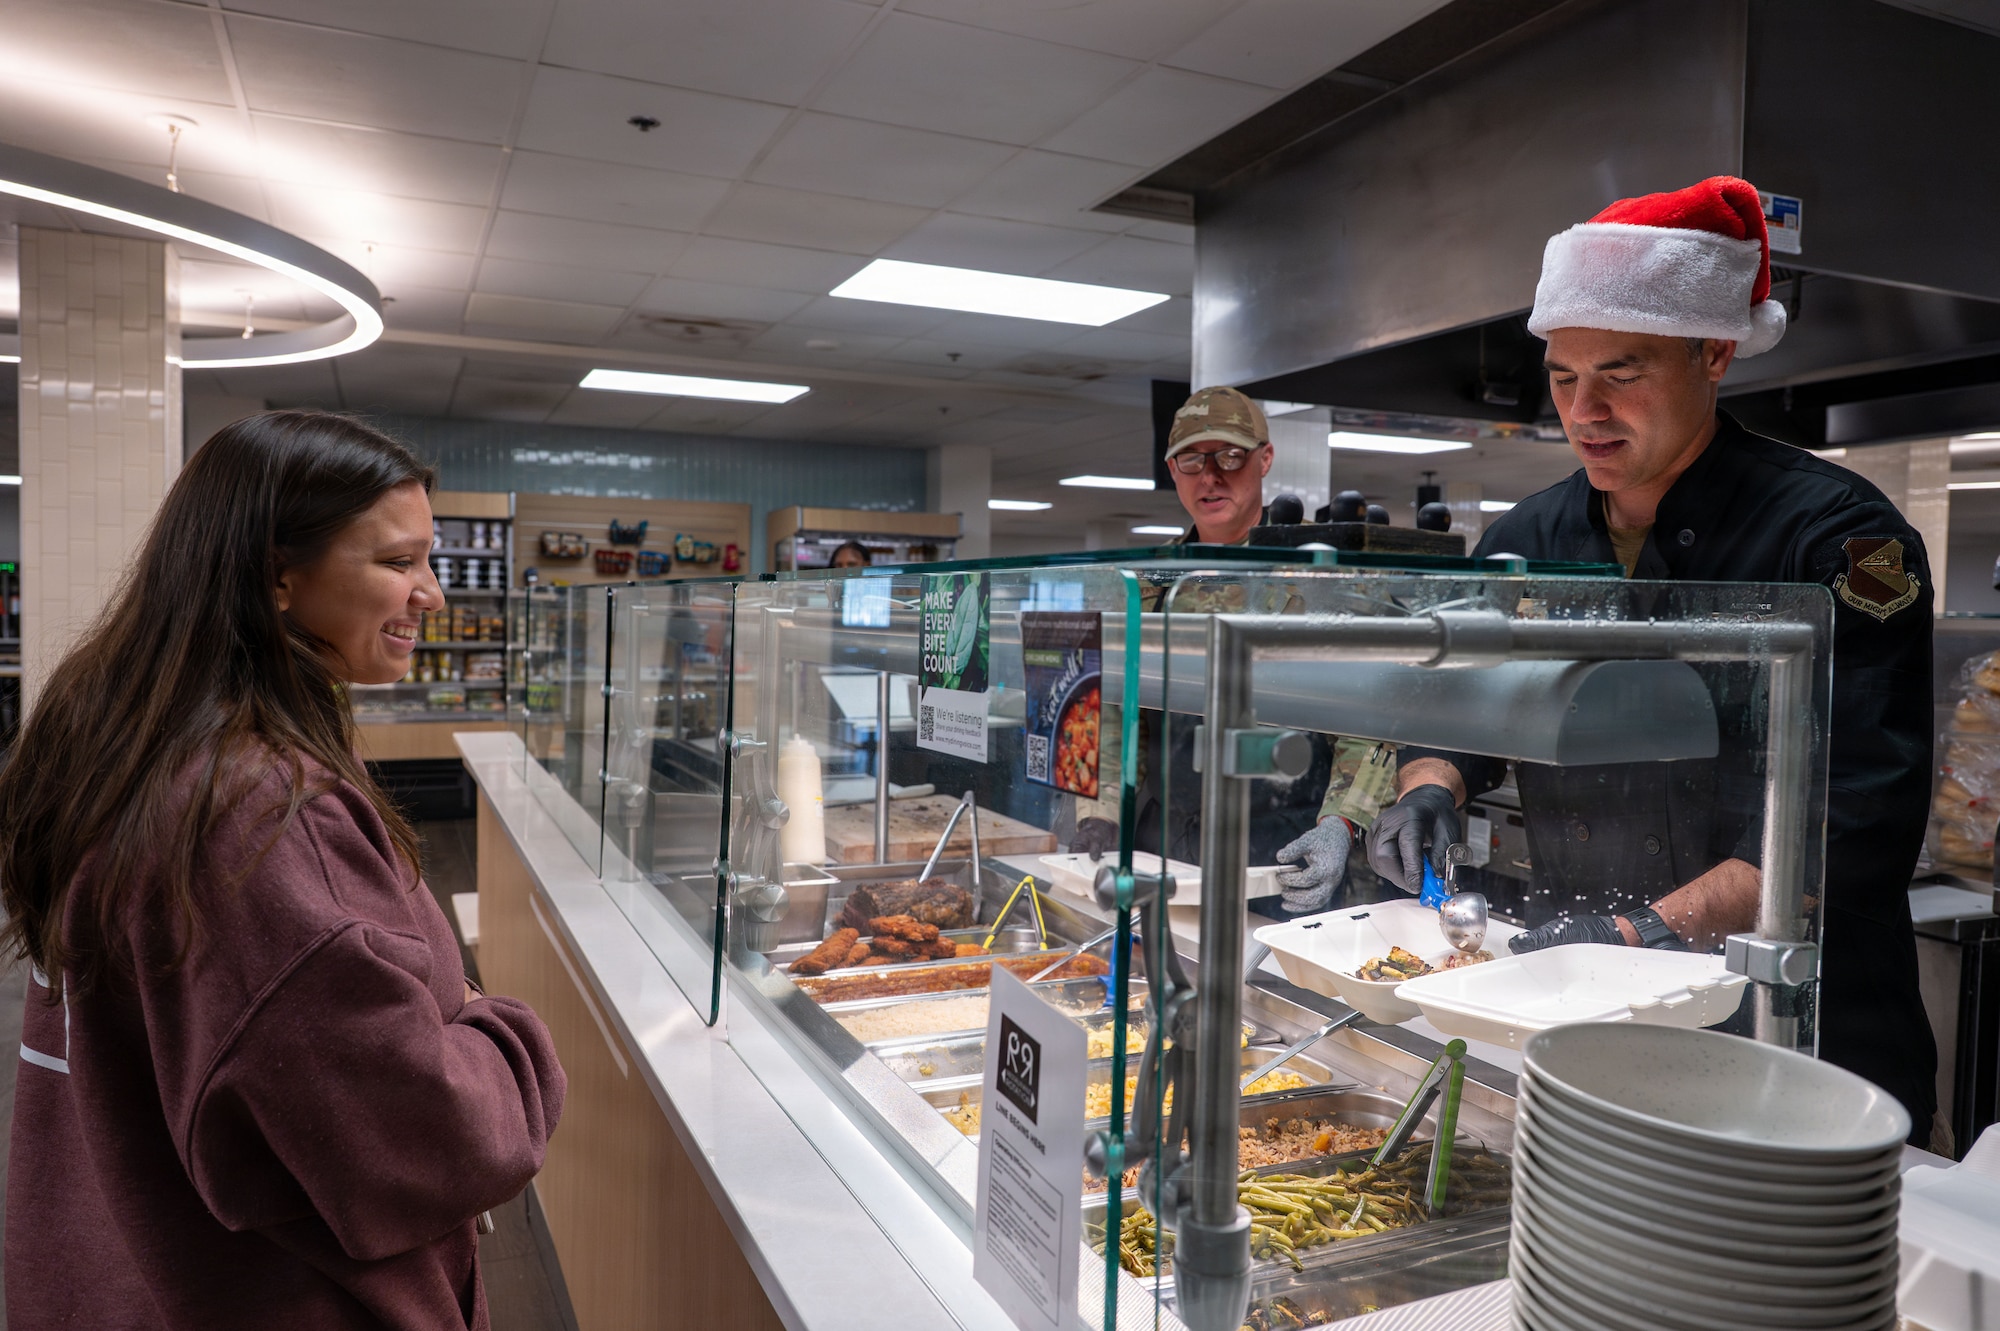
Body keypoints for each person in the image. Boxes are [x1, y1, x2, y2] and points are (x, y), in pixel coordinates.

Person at [1364, 176, 1938, 1141]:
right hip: (1577, 1007)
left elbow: (1853, 815)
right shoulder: (1526, 536)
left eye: (1621, 373)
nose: (1582, 410)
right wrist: (1431, 785)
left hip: (1788, 1032)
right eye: (1561, 376)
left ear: (1714, 353)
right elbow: (1455, 706)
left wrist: (1644, 929)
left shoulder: (1836, 536)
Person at [0, 412, 568, 1327]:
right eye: (397, 562)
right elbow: (430, 1142)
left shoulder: (128, 740)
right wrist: (499, 1029)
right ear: (276, 578)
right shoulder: (260, 819)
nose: (431, 594)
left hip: (124, 1265)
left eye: (430, 561)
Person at [1075, 387, 1395, 916]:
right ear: (1171, 470)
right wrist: (1102, 807)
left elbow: (1372, 714)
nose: (1211, 477)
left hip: (1285, 846)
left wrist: (1341, 823)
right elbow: (1113, 709)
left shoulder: (1322, 574)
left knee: (1267, 991)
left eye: (1230, 456)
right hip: (1169, 842)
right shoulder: (1149, 583)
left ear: (1264, 459)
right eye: (1192, 460)